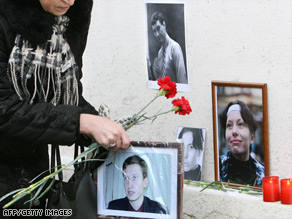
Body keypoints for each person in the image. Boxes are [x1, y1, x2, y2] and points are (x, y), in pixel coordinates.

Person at [0, 0, 130, 214]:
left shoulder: (70, 17)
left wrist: (101, 128)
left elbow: (64, 94)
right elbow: (4, 108)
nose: (69, 1)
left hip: (33, 174)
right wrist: (81, 122)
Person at [219, 100, 265, 186]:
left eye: (240, 124)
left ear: (252, 137)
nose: (234, 131)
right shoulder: (217, 168)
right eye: (229, 125)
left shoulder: (262, 174)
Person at [149, 12, 187, 84]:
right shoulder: (160, 53)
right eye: (154, 31)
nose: (157, 34)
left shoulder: (175, 48)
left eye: (158, 28)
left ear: (164, 24)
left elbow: (182, 81)